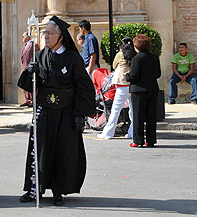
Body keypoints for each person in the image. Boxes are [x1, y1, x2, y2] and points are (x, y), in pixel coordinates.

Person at [17, 16, 95, 206]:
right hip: (44, 111)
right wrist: (30, 71)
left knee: (62, 152)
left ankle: (58, 190)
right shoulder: (40, 55)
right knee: (40, 151)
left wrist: (80, 114)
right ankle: (35, 188)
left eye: (49, 33)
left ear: (60, 36)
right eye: (44, 33)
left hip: (65, 112)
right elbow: (27, 84)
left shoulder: (72, 58)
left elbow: (84, 86)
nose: (45, 37)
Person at [125, 34, 162, 147]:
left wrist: (127, 76)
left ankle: (138, 140)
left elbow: (133, 75)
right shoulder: (154, 57)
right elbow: (158, 74)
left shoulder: (137, 58)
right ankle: (150, 140)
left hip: (139, 90)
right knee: (151, 116)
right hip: (152, 88)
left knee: (138, 116)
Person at [97, 37, 135, 140]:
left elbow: (114, 65)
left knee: (115, 110)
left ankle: (108, 133)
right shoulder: (134, 54)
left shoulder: (120, 54)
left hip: (122, 84)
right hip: (132, 85)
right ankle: (132, 133)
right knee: (133, 111)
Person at [19, 31, 39, 107]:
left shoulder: (34, 45)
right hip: (24, 68)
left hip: (30, 68)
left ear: (28, 37)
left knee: (31, 84)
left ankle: (33, 100)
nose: (22, 38)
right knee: (25, 84)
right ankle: (27, 100)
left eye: (23, 36)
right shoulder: (25, 45)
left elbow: (36, 56)